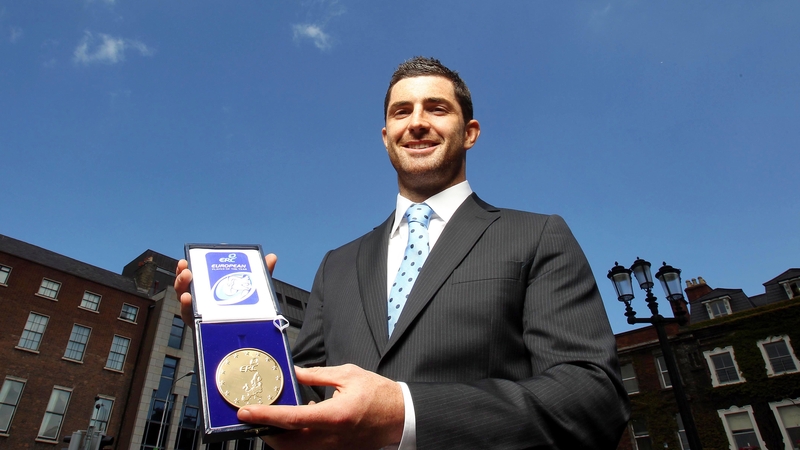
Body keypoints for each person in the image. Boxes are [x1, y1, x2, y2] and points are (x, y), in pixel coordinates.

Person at [176, 56, 630, 449]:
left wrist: (404, 413)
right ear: (386, 134)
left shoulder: (535, 235)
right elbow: (304, 400)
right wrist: (227, 337)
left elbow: (592, 398)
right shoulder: (338, 264)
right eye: (401, 111)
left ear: (469, 132)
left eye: (437, 108)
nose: (416, 122)